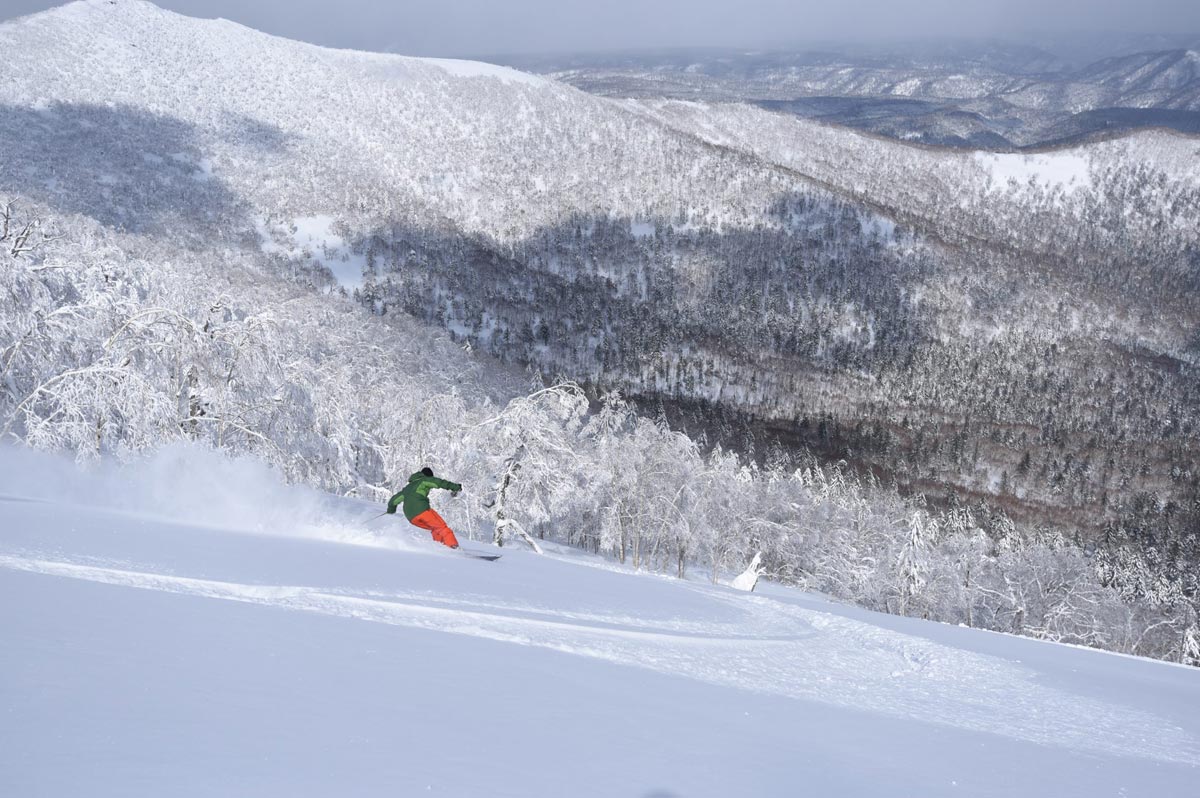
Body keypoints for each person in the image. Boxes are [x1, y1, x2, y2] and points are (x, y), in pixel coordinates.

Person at [386, 467, 463, 548]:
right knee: (441, 527)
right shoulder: (424, 480)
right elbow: (440, 482)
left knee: (435, 528)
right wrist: (455, 487)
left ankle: (440, 547)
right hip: (422, 511)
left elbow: (393, 501)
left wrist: (391, 509)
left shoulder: (407, 488)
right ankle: (453, 547)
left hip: (411, 517)